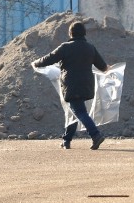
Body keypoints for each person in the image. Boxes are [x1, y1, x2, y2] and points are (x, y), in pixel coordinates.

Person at [32, 20, 109, 150]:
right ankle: (66, 140)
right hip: (87, 85)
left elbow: (50, 58)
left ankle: (96, 135)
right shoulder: (90, 48)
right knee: (73, 111)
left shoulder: (66, 47)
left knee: (79, 111)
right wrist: (108, 67)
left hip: (72, 85)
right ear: (84, 33)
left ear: (70, 33)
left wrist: (36, 63)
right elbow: (102, 66)